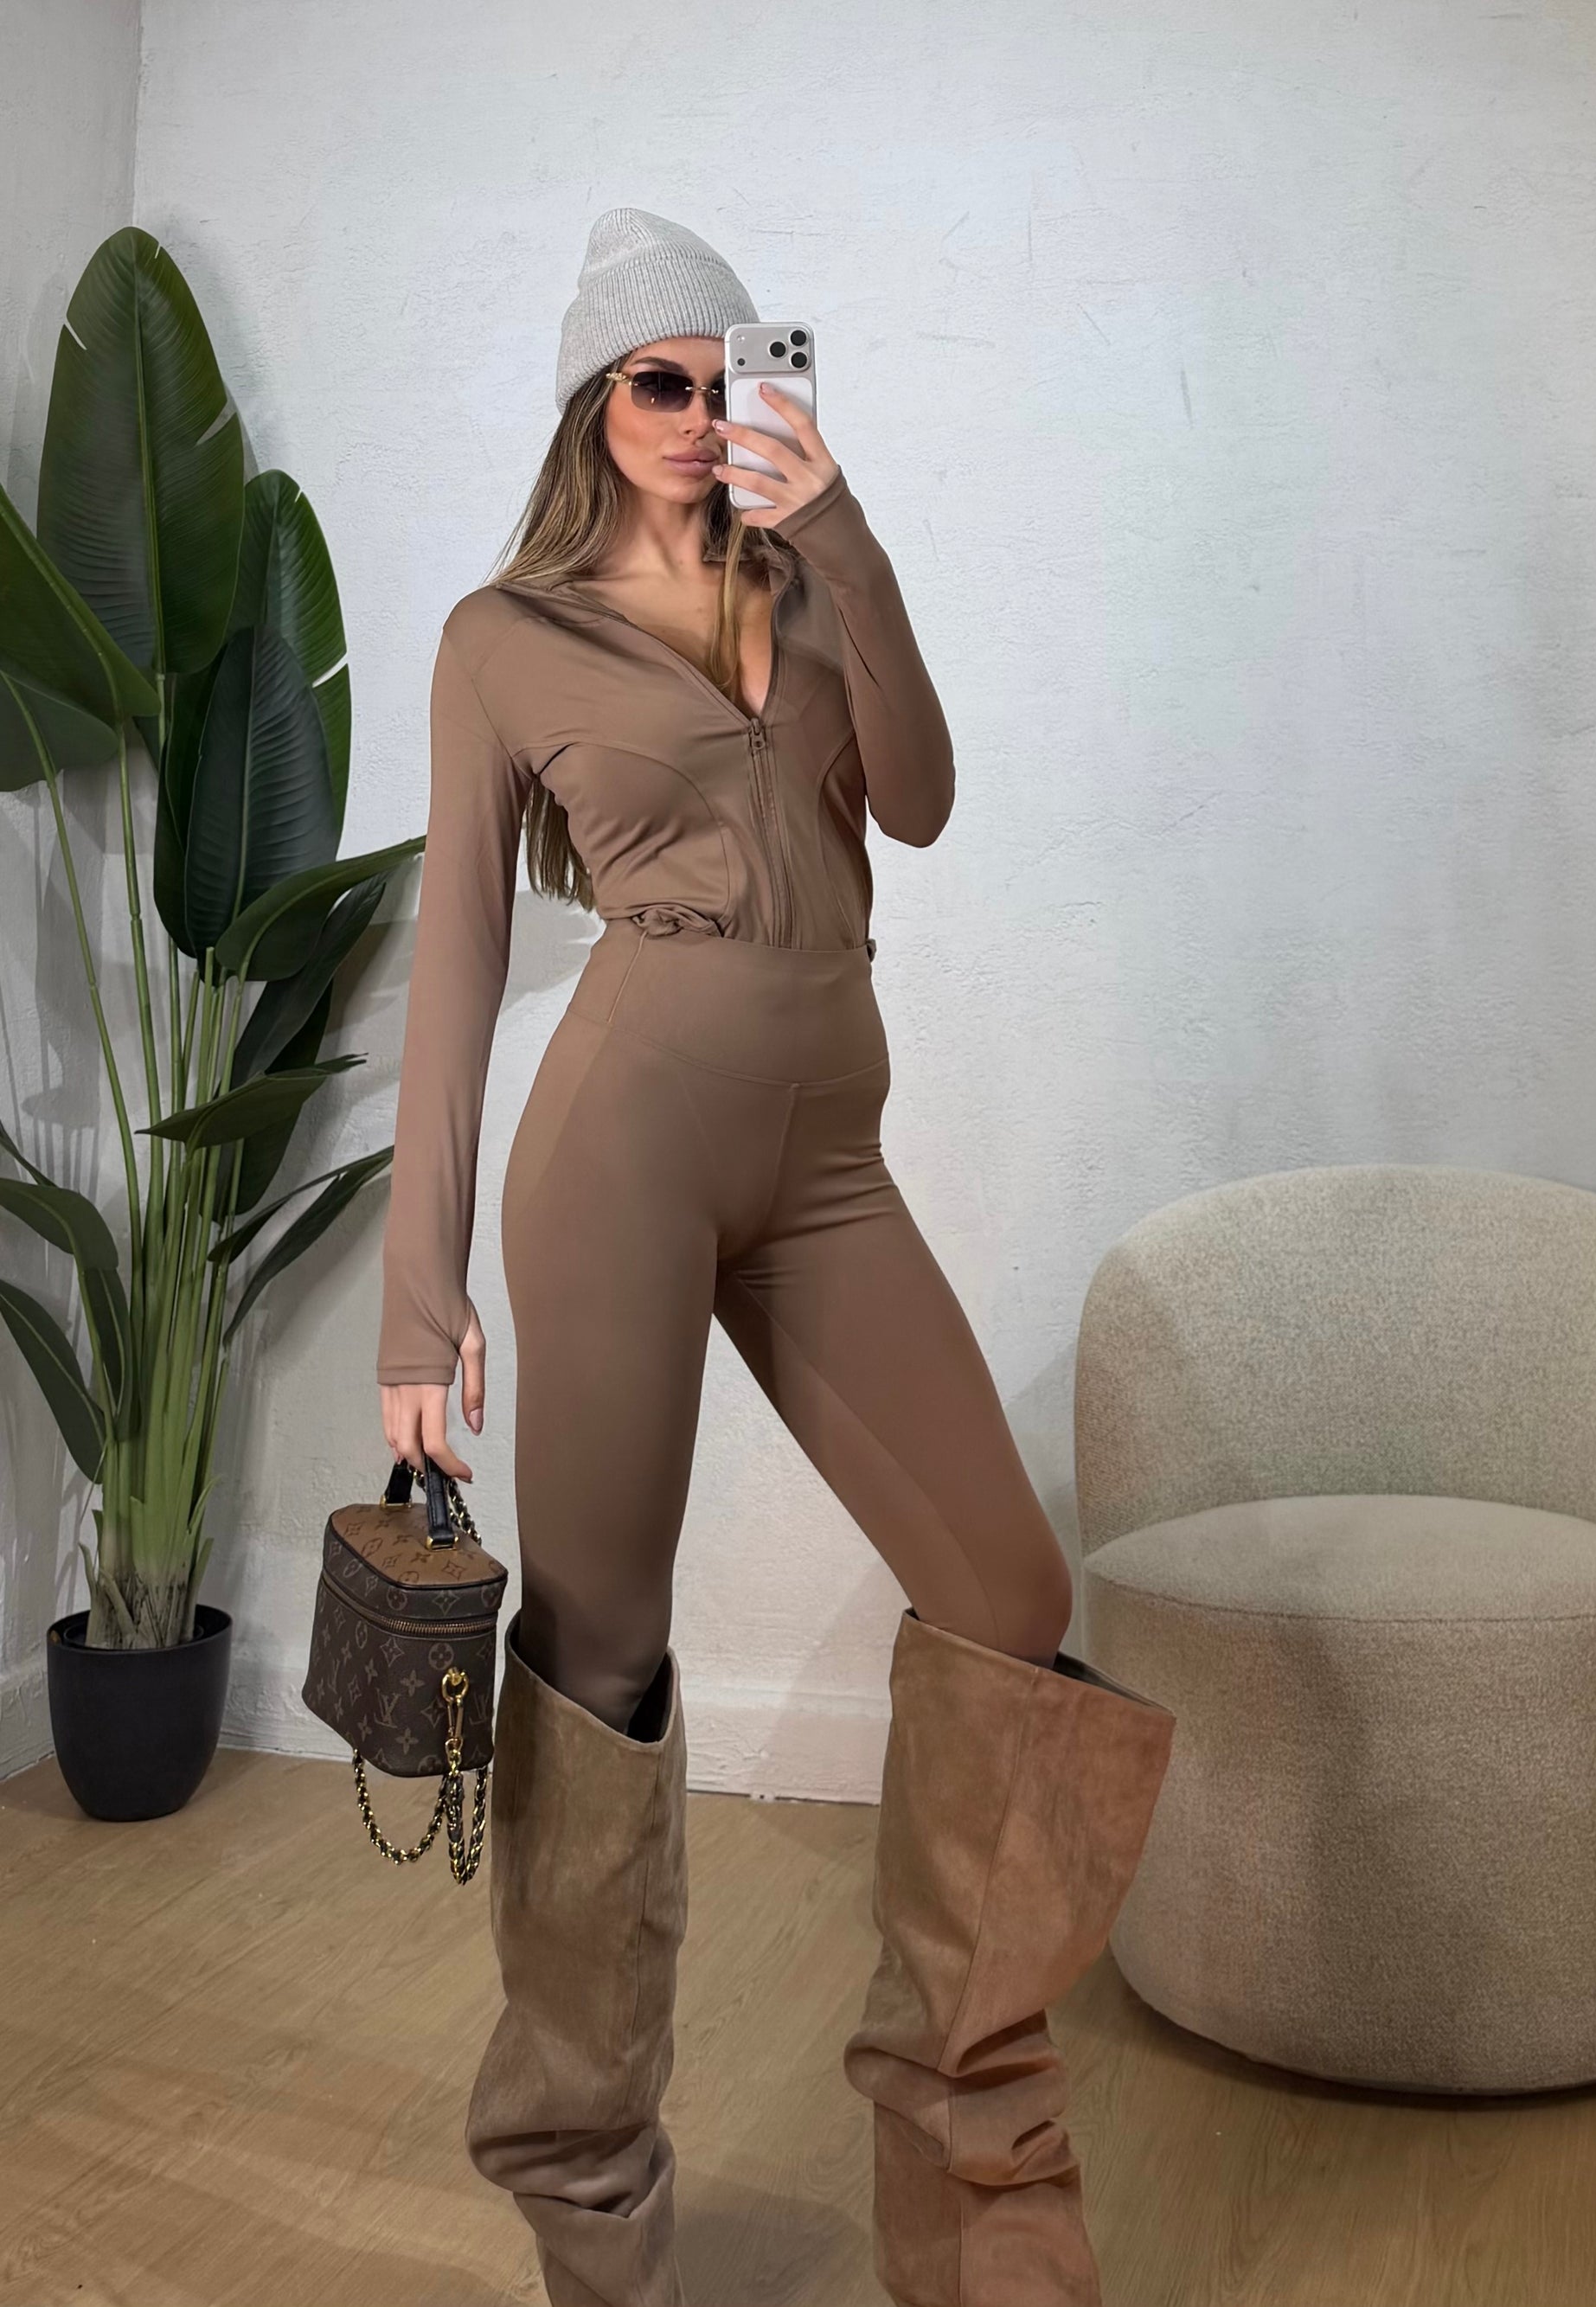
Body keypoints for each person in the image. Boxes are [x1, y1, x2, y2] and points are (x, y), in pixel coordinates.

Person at [375, 206, 1176, 2307]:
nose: (691, 410)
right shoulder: (503, 636)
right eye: (655, 378)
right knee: (605, 1656)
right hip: (619, 1158)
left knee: (1008, 1594)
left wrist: (850, 545)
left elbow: (916, 802)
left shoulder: (811, 581)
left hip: (828, 1170)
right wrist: (417, 1301)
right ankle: (592, 2223)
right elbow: (453, 963)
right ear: (590, 400)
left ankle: (979, 2206)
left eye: (722, 375)